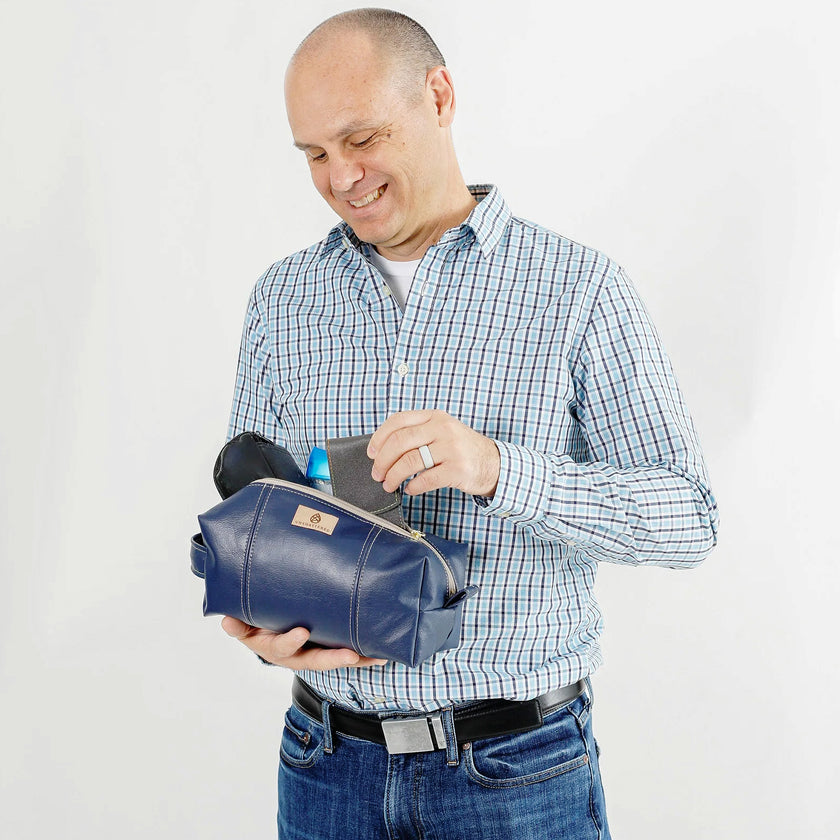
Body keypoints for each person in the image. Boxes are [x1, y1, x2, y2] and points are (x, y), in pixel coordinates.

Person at [219, 8, 719, 839]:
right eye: (313, 153)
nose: (342, 176)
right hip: (323, 765)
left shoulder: (579, 290)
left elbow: (688, 519)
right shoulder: (282, 300)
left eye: (362, 138)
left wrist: (499, 471)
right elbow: (259, 516)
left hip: (516, 776)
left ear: (439, 97)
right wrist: (261, 624)